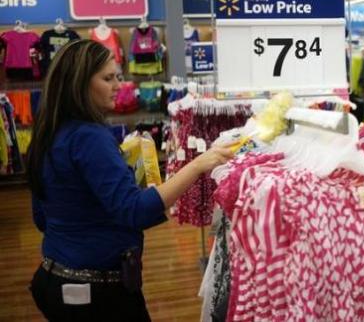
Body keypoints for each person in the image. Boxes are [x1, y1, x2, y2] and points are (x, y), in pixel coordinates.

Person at [26, 39, 234, 321]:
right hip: (97, 293)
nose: (118, 86)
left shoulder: (48, 133)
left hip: (54, 279)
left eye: (118, 77)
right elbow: (135, 211)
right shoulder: (90, 137)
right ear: (80, 83)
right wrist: (198, 164)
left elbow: (42, 217)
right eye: (108, 78)